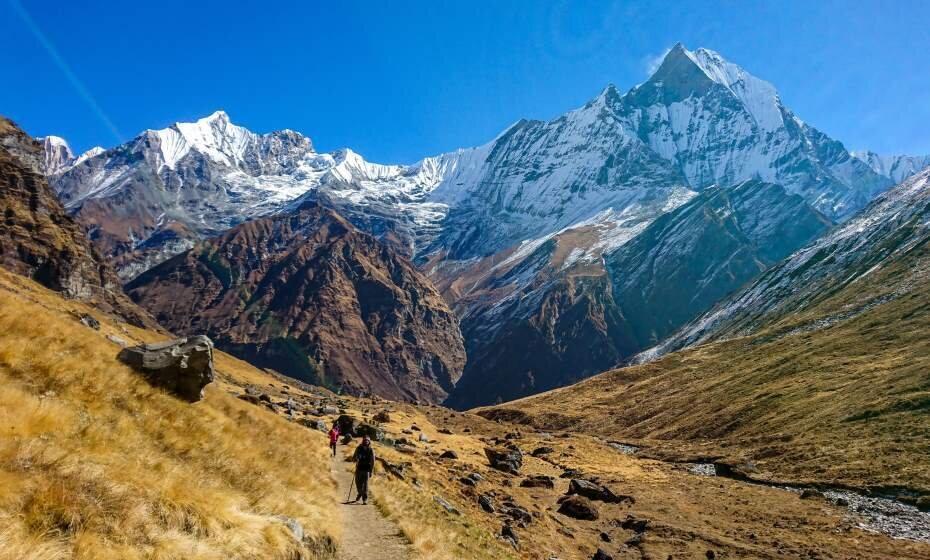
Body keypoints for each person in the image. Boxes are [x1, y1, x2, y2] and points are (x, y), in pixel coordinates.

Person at [351, 435, 376, 504]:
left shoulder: (371, 450)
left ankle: (364, 499)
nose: (366, 441)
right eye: (365, 440)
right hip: (359, 468)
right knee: (357, 483)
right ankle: (360, 493)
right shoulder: (358, 448)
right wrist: (355, 458)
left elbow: (373, 461)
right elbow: (353, 457)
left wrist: (371, 471)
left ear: (369, 442)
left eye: (367, 440)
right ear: (363, 440)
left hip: (367, 470)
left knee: (365, 485)